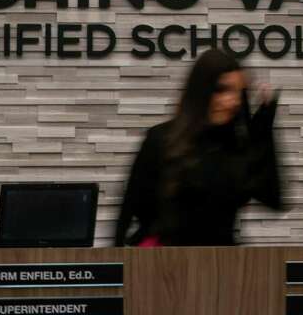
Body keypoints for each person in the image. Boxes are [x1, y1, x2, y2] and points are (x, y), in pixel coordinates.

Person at [113, 49, 284, 246]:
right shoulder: (161, 139)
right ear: (202, 89)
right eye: (222, 89)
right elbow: (129, 208)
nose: (231, 101)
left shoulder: (237, 147)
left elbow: (273, 198)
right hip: (163, 263)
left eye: (238, 92)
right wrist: (117, 269)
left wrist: (262, 128)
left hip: (222, 265)